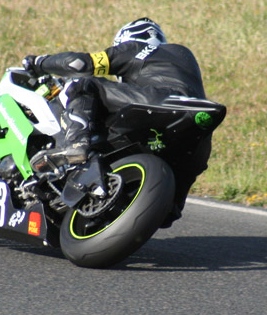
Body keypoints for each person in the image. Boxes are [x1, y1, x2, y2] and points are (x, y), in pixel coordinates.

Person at [22, 17, 212, 227]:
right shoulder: (182, 57)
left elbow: (80, 64)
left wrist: (39, 63)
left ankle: (76, 143)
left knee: (83, 83)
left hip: (158, 101)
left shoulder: (137, 49)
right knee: (169, 213)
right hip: (198, 138)